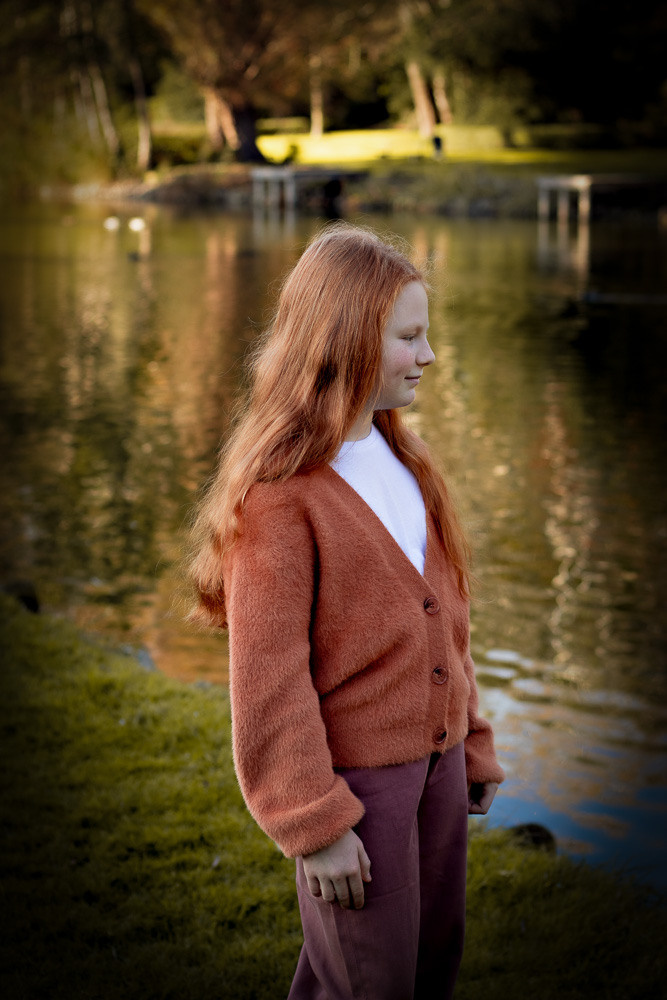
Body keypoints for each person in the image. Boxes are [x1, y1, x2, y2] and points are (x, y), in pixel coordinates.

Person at [189, 222, 504, 1000]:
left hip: (436, 771)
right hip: (356, 789)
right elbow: (268, 678)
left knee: (427, 965)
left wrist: (472, 739)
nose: (429, 355)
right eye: (409, 338)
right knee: (369, 981)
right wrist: (314, 823)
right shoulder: (281, 496)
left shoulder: (406, 461)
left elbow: (446, 625)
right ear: (348, 340)